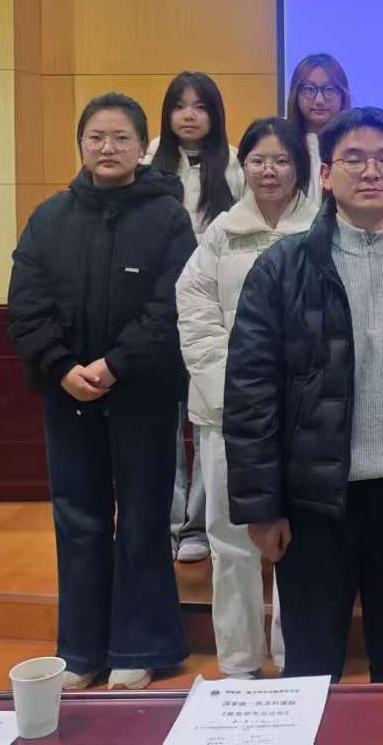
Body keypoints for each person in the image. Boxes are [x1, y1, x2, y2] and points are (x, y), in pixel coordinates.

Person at [222, 107, 383, 683]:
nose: (371, 171)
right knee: (312, 665)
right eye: (354, 159)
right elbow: (249, 392)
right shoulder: (282, 267)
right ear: (325, 174)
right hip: (313, 500)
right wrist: (262, 506)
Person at [8, 92, 196, 690]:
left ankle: (142, 645)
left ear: (143, 148)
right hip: (67, 393)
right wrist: (63, 367)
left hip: (142, 390)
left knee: (143, 518)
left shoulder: (169, 218)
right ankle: (81, 650)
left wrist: (114, 365)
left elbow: (171, 307)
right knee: (78, 518)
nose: (108, 147)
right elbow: (27, 306)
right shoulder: (49, 217)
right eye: (96, 136)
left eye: (121, 137)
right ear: (81, 145)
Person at [175, 117, 316, 679]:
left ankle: (294, 657)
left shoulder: (321, 229)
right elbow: (195, 316)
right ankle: (238, 664)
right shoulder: (220, 233)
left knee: (298, 543)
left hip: (302, 416)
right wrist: (231, 392)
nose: (269, 171)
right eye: (258, 160)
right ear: (244, 166)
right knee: (231, 541)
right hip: (227, 414)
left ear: (299, 167)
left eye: (281, 160)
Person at [145, 71, 245, 565]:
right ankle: (165, 522)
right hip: (157, 308)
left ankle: (199, 526)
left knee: (208, 417)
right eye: (179, 106)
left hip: (215, 309)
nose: (189, 115)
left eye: (200, 106)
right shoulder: (148, 164)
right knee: (162, 421)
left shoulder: (235, 165)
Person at [285, 52, 352, 185]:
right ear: (295, 95)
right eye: (309, 90)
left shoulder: (356, 145)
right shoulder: (282, 144)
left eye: (329, 90)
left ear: (342, 95)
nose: (319, 100)